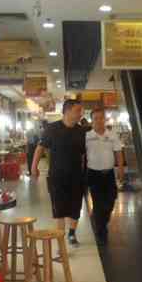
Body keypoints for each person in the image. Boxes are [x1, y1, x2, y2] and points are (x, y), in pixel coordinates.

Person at [32, 99, 86, 246]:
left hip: (76, 176)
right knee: (59, 209)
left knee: (75, 207)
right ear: (67, 111)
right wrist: (34, 167)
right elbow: (40, 148)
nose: (80, 114)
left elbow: (82, 154)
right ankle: (60, 238)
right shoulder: (52, 129)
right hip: (57, 176)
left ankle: (72, 234)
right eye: (77, 111)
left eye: (80, 111)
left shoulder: (81, 131)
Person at [86, 106, 125, 246]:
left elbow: (118, 153)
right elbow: (81, 155)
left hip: (109, 175)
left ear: (105, 119)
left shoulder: (112, 135)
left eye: (101, 118)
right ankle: (101, 230)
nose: (99, 121)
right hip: (93, 174)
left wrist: (120, 169)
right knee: (98, 203)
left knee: (110, 201)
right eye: (95, 118)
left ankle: (101, 221)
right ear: (92, 120)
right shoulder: (87, 136)